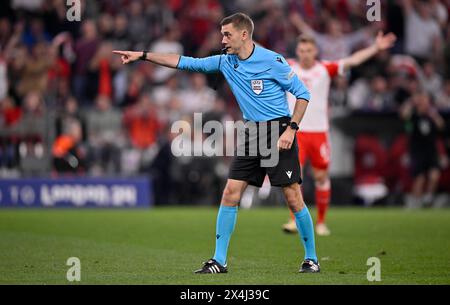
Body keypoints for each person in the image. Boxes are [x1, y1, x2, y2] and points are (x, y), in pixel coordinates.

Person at [113, 12, 320, 273]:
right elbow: (184, 62)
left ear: (244, 34)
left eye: (227, 34)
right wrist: (143, 55)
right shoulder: (225, 62)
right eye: (222, 34)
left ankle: (311, 258)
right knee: (230, 193)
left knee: (292, 196)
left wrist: (291, 130)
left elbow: (302, 94)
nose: (222, 39)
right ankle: (219, 260)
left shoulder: (272, 61)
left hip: (278, 130)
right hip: (251, 132)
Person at [282, 32, 397, 236]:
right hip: (295, 132)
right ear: (297, 51)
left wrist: (375, 48)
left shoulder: (325, 68)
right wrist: (243, 40)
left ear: (315, 51)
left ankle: (321, 222)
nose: (305, 54)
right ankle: (293, 221)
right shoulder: (288, 66)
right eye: (302, 50)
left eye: (309, 50)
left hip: (319, 133)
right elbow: (262, 55)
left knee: (321, 176)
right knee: (293, 178)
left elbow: (352, 60)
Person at [400, 92, 445, 208]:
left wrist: (434, 114)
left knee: (434, 176)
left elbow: (441, 126)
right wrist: (410, 102)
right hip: (417, 151)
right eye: (422, 100)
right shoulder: (414, 116)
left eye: (426, 100)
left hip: (431, 151)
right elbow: (404, 115)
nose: (425, 103)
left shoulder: (431, 116)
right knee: (419, 179)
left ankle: (428, 198)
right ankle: (416, 202)